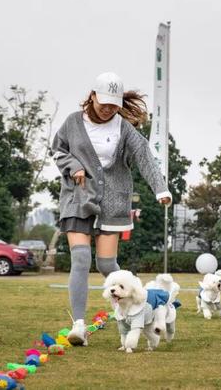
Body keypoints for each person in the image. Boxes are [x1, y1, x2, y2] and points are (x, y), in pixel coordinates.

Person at [52, 72, 172, 346]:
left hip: (114, 201)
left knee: (106, 264)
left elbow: (144, 157)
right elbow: (58, 151)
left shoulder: (124, 128)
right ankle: (79, 326)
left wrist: (161, 189)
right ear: (92, 96)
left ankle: (143, 305)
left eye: (114, 104)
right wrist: (74, 167)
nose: (108, 108)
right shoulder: (72, 122)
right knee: (81, 259)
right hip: (78, 198)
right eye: (104, 102)